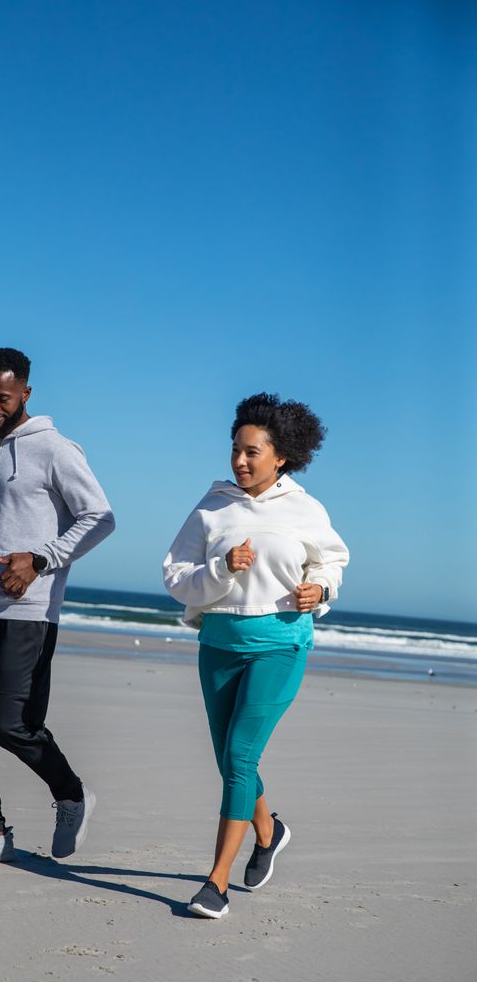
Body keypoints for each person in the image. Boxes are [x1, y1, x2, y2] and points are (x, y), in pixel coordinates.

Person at [163, 392, 349, 918]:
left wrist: (321, 588)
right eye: (236, 450)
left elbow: (332, 560)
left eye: (252, 452)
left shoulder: (305, 509)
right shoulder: (213, 505)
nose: (240, 461)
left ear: (280, 456)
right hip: (219, 643)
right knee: (229, 759)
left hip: (281, 643)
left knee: (241, 756)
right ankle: (268, 831)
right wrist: (222, 567)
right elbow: (175, 576)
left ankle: (216, 883)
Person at [0, 348, 115, 865]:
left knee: (15, 726)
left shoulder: (55, 450)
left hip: (30, 613)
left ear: (25, 393)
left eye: (2, 397)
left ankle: (72, 795)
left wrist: (40, 559)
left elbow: (100, 518)